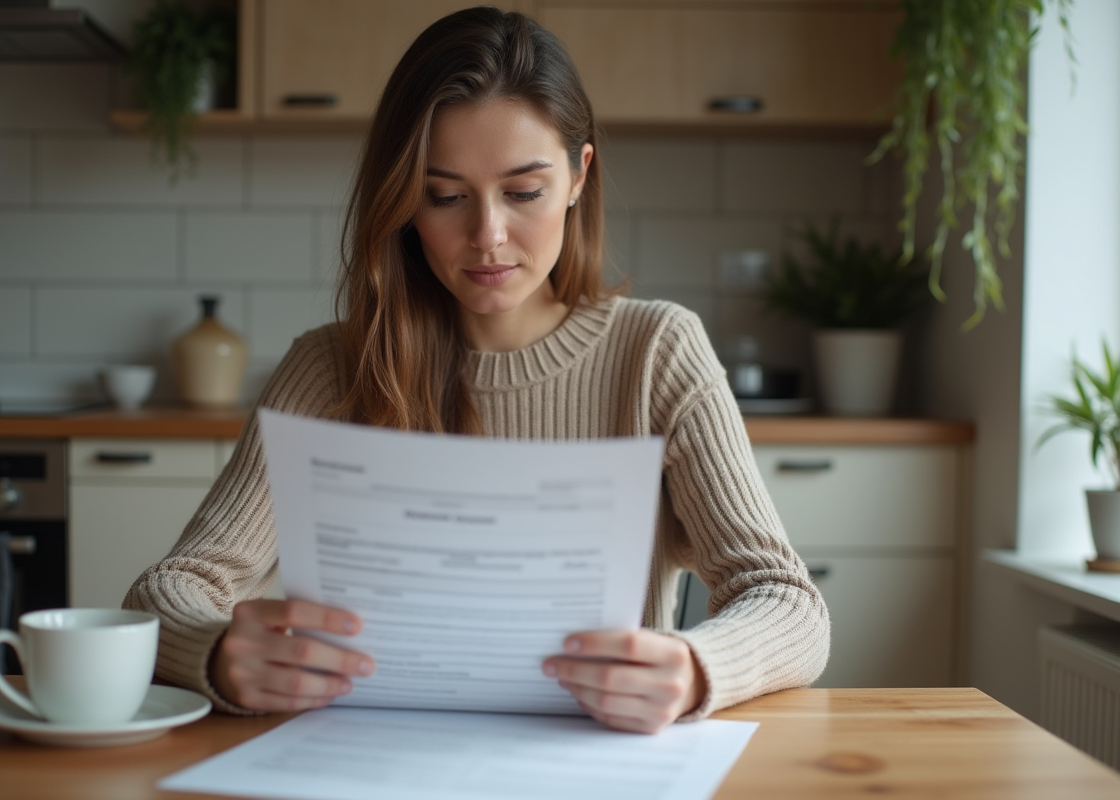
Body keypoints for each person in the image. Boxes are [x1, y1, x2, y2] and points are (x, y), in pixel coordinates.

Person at [123, 6, 829, 735]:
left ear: (579, 176)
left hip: (590, 765)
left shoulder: (656, 352)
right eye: (445, 196)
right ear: (405, 201)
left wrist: (695, 668)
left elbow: (788, 602)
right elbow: (169, 587)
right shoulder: (331, 367)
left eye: (523, 192)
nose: (487, 236)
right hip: (371, 760)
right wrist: (216, 653)